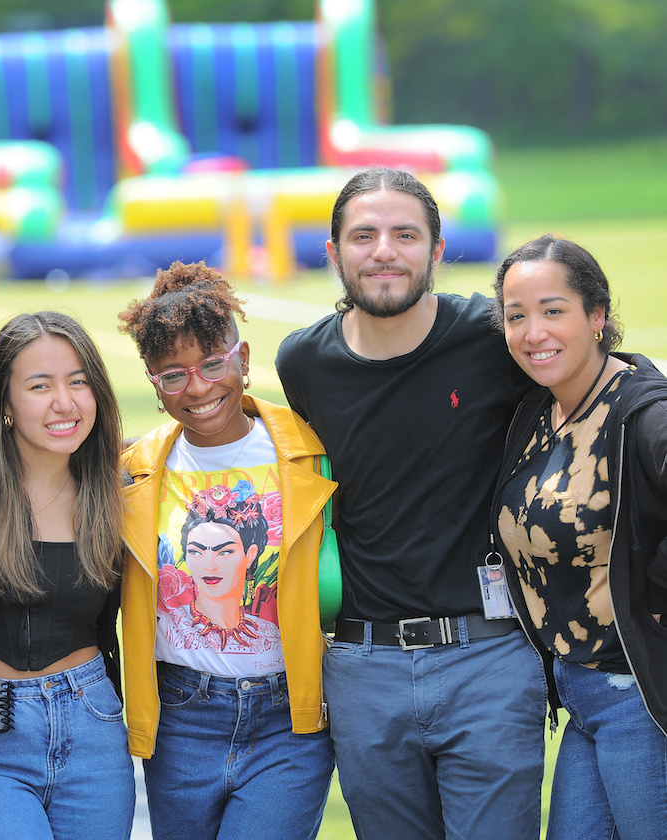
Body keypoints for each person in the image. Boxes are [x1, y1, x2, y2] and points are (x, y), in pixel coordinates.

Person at [275, 167, 547, 840]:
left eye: (405, 233)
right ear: (334, 253)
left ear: (436, 248)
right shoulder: (302, 363)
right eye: (363, 235)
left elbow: (597, 383)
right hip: (364, 669)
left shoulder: (495, 338)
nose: (385, 251)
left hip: (489, 658)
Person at [118, 260, 336, 840]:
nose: (198, 387)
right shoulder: (134, 472)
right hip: (181, 720)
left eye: (212, 363)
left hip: (290, 720)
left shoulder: (312, 452)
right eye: (173, 375)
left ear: (241, 360)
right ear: (154, 384)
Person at [491, 235, 667, 840]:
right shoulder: (536, 415)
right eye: (517, 316)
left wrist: (656, 594)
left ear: (597, 316)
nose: (534, 331)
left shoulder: (644, 413)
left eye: (553, 310)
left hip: (641, 698)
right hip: (581, 695)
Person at [0, 311, 135, 839]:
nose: (66, 403)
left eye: (79, 382)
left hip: (93, 727)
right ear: (4, 403)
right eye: (40, 386)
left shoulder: (121, 493)